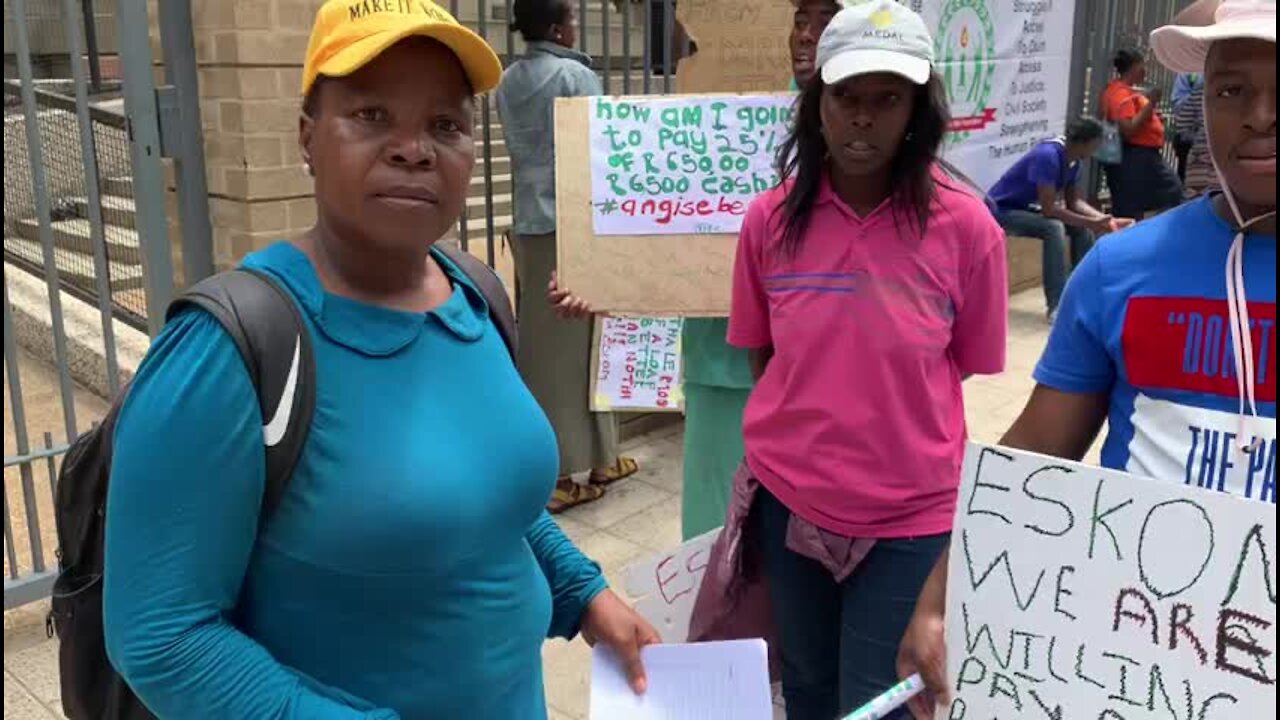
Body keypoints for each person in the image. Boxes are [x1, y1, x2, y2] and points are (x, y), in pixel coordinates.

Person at [101, 2, 659, 718]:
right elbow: (161, 635)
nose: (413, 148)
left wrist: (585, 594)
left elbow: (492, 500)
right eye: (370, 116)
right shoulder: (230, 350)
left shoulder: (476, 294)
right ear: (307, 137)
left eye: (445, 125)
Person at [897, 1, 1276, 717]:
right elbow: (1037, 454)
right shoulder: (1120, 269)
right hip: (1134, 658)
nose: (1260, 115)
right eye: (1232, 90)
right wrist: (939, 599)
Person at [716, 2, 1009, 717]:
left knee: (880, 702)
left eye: (888, 99)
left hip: (910, 519)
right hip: (791, 504)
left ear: (917, 108)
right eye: (846, 96)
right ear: (817, 102)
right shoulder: (770, 221)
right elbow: (765, 357)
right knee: (808, 690)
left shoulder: (967, 226)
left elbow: (964, 362)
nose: (863, 118)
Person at [496, 0, 639, 513]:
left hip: (531, 222)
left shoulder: (508, 81)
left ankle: (602, 457)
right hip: (577, 221)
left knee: (551, 343)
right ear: (558, 27)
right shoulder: (575, 76)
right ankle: (559, 475)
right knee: (583, 344)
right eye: (573, 18)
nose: (577, 25)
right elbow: (597, 152)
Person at [988, 118, 1133, 322]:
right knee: (1054, 227)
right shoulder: (1048, 156)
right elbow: (1049, 210)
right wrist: (1091, 222)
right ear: (1084, 142)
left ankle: (1084, 295)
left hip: (1025, 209)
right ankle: (1056, 305)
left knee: (1082, 230)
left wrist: (1105, 220)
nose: (1097, 149)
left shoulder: (1075, 161)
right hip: (1002, 210)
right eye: (1095, 144)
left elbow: (1074, 202)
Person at [1100, 47, 1184, 219]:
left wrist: (1152, 117)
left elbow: (1138, 117)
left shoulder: (1128, 91)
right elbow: (1128, 129)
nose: (1145, 71)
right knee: (1170, 192)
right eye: (1142, 66)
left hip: (1142, 155)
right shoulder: (1119, 94)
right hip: (1134, 155)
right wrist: (1151, 103)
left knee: (1137, 204)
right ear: (1133, 68)